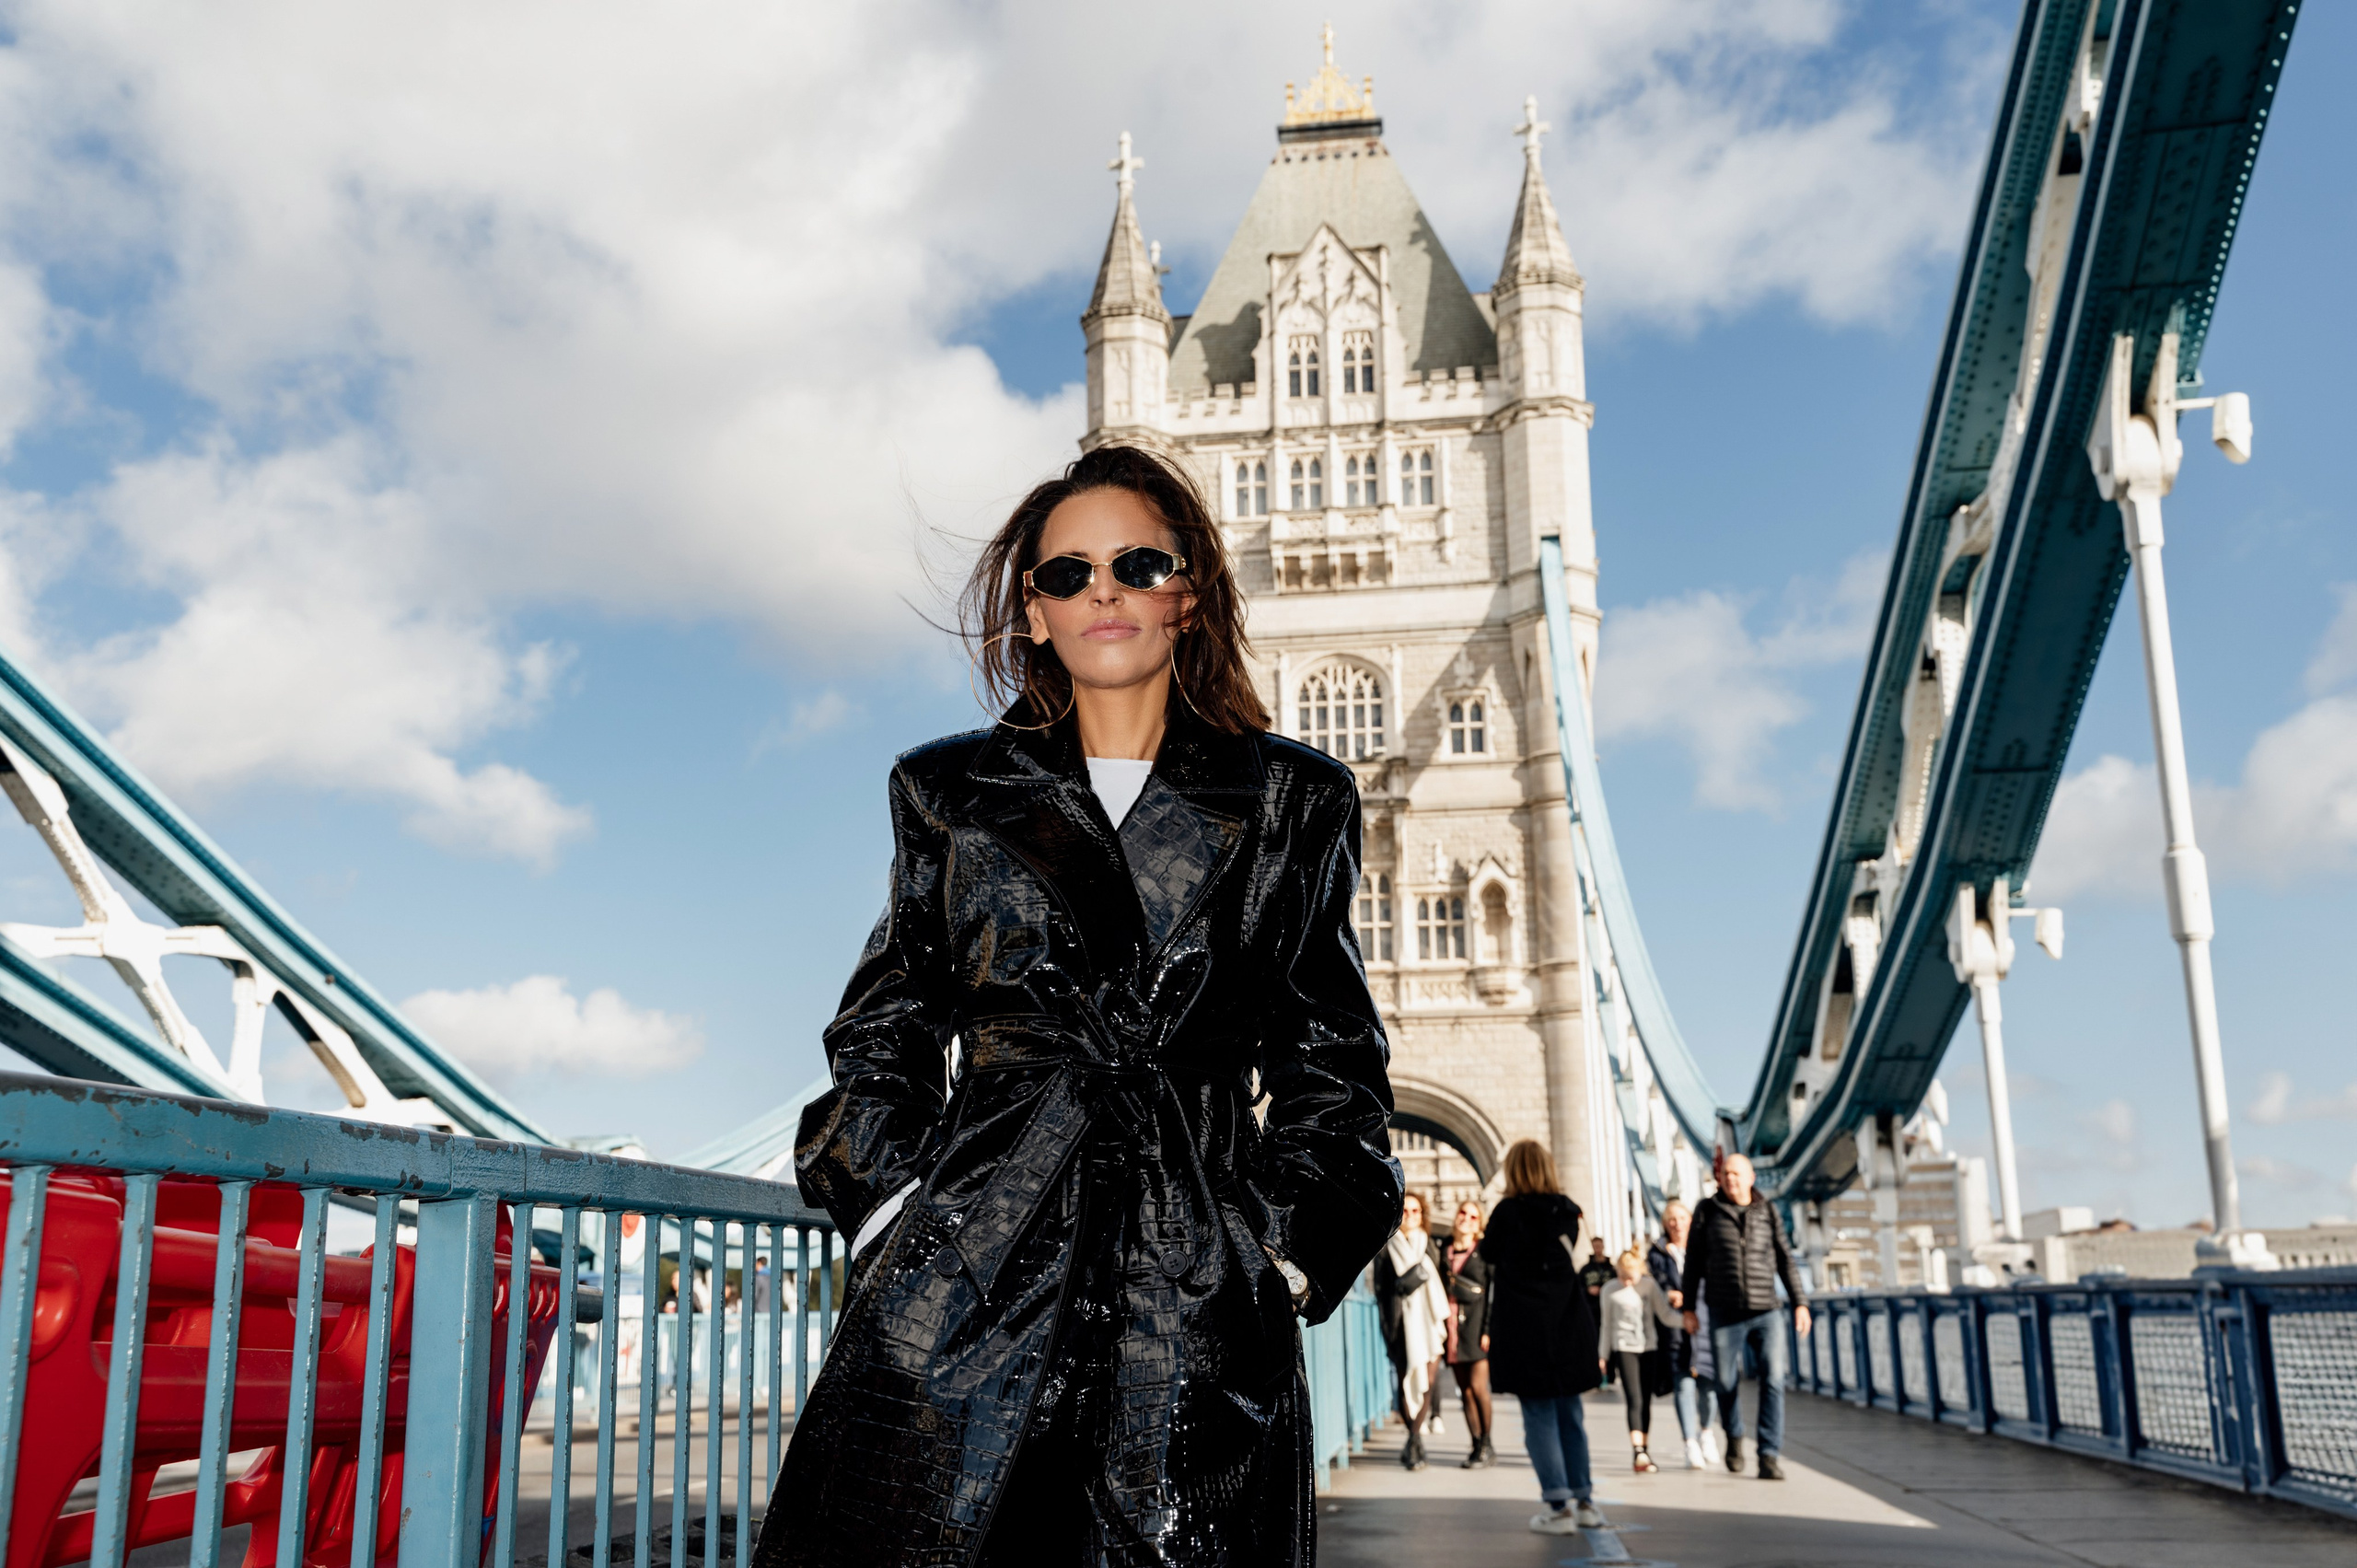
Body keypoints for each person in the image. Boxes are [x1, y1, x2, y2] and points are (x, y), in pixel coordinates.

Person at [755, 445, 1403, 1568]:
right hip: (969, 1266)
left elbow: (1329, 1051)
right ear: (1035, 612)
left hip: (1192, 1280)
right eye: (1066, 574)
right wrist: (887, 1209)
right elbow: (886, 1022)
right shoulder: (947, 790)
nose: (1100, 589)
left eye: (1136, 562)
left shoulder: (1297, 798)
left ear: (1186, 593)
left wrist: (1283, 1255)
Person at [1480, 1139, 1606, 1537]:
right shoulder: (1567, 1211)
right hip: (1567, 1322)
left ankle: (1557, 1505)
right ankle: (1585, 1500)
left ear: (1514, 1171)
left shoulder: (1506, 1213)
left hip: (1523, 1327)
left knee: (1538, 1417)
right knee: (1571, 1414)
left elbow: (1489, 1255)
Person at [1679, 1154, 1811, 1481]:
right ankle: (1735, 1436)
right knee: (1724, 1382)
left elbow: (1785, 1258)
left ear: (1751, 1177)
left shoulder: (1767, 1210)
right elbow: (1693, 1261)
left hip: (1766, 1309)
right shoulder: (1707, 1211)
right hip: (1724, 1311)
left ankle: (1768, 1454)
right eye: (1725, 1174)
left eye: (1737, 1173)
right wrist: (1689, 1310)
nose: (1730, 1178)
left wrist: (1800, 1302)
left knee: (1774, 1379)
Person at [1374, 1191, 1451, 1469]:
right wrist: (1388, 1329)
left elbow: (1443, 1281)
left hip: (1429, 1325)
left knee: (1427, 1383)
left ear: (1423, 1216)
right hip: (1400, 1326)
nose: (1411, 1216)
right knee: (1407, 1384)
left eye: (1416, 1211)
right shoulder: (1385, 1248)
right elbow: (1381, 1292)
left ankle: (1414, 1443)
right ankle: (1414, 1439)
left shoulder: (1429, 1245)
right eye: (1405, 1211)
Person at [1647, 1202, 1721, 1470]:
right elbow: (1655, 1281)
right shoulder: (1656, 1253)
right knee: (1683, 1384)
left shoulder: (1705, 1246)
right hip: (1675, 1325)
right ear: (1665, 1224)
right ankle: (1690, 1442)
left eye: (1681, 1218)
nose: (1676, 1223)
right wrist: (1668, 1293)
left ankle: (1707, 1432)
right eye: (1671, 1219)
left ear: (1690, 1220)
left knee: (1708, 1385)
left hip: (1704, 1321)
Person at [1597, 1247, 1683, 1472]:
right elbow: (1606, 1325)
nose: (1626, 1283)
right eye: (1622, 1277)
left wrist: (1688, 1323)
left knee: (1646, 1400)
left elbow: (1664, 1314)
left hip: (1649, 1347)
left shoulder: (1649, 1286)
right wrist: (1603, 1355)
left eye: (1631, 1278)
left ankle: (1644, 1448)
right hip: (1624, 1348)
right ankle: (1638, 1451)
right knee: (1634, 1398)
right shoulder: (1610, 1290)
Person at [1443, 1198, 1494, 1469]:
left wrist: (1488, 1329)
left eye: (1473, 1217)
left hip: (1476, 1328)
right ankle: (1475, 1444)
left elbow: (1491, 1293)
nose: (1466, 1219)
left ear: (1479, 1224)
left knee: (1478, 1388)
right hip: (1452, 1330)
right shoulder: (1445, 1249)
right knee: (1465, 1391)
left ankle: (1486, 1442)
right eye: (1463, 1213)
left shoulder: (1484, 1251)